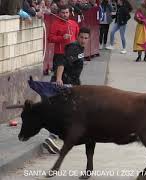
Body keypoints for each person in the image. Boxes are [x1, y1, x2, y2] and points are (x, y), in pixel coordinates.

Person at [45, 5, 79, 154]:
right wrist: (61, 38)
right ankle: (54, 133)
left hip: (72, 58)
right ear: (59, 13)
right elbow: (50, 38)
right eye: (63, 13)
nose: (65, 14)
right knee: (60, 93)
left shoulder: (74, 24)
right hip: (60, 56)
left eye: (67, 12)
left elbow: (77, 38)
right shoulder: (55, 24)